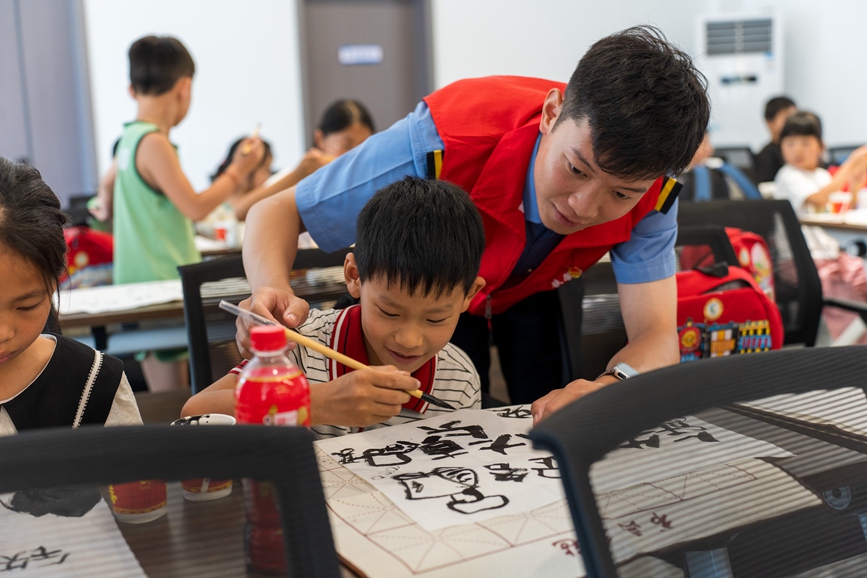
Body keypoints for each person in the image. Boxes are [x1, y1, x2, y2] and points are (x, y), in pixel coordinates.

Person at [236, 26, 710, 424]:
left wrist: (611, 385)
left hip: (533, 288)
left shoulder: (652, 192)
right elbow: (275, 211)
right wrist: (270, 290)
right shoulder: (444, 138)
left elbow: (656, 334)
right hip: (433, 294)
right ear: (551, 114)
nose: (584, 207)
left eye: (621, 194)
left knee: (551, 412)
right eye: (576, 169)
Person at [181, 176, 484, 437]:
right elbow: (193, 414)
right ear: (354, 276)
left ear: (469, 295)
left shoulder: (459, 380)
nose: (409, 339)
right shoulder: (304, 347)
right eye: (389, 312)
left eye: (435, 319)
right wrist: (316, 402)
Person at [111, 35, 264, 391]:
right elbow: (195, 207)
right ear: (184, 87)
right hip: (161, 285)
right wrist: (238, 171)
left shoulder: (128, 139)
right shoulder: (153, 142)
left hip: (139, 283)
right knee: (175, 400)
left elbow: (104, 196)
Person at [0, 157, 142, 435]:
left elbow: (134, 477)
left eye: (27, 306)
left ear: (54, 283)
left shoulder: (92, 384)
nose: (2, 332)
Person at [228, 99, 376, 220]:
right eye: (345, 145)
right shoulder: (298, 174)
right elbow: (240, 212)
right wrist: (297, 175)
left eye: (364, 145)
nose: (355, 154)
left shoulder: (375, 179)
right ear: (320, 139)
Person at [774, 111, 867, 214]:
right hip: (801, 230)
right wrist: (850, 164)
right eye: (790, 144)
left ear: (821, 146)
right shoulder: (788, 174)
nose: (797, 150)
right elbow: (819, 200)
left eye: (805, 143)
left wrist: (855, 185)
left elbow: (843, 208)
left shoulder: (822, 175)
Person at [754, 96, 797, 184]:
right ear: (769, 122)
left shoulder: (798, 151)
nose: (792, 123)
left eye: (795, 118)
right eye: (787, 119)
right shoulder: (767, 155)